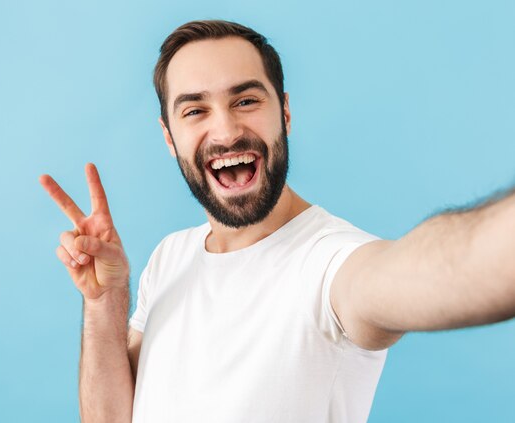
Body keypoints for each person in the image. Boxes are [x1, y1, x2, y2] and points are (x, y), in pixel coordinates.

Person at [39, 20, 515, 423]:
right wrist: (104, 302)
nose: (225, 130)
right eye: (195, 110)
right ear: (169, 136)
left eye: (246, 100)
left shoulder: (330, 264)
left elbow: (437, 268)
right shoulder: (170, 257)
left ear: (284, 112)